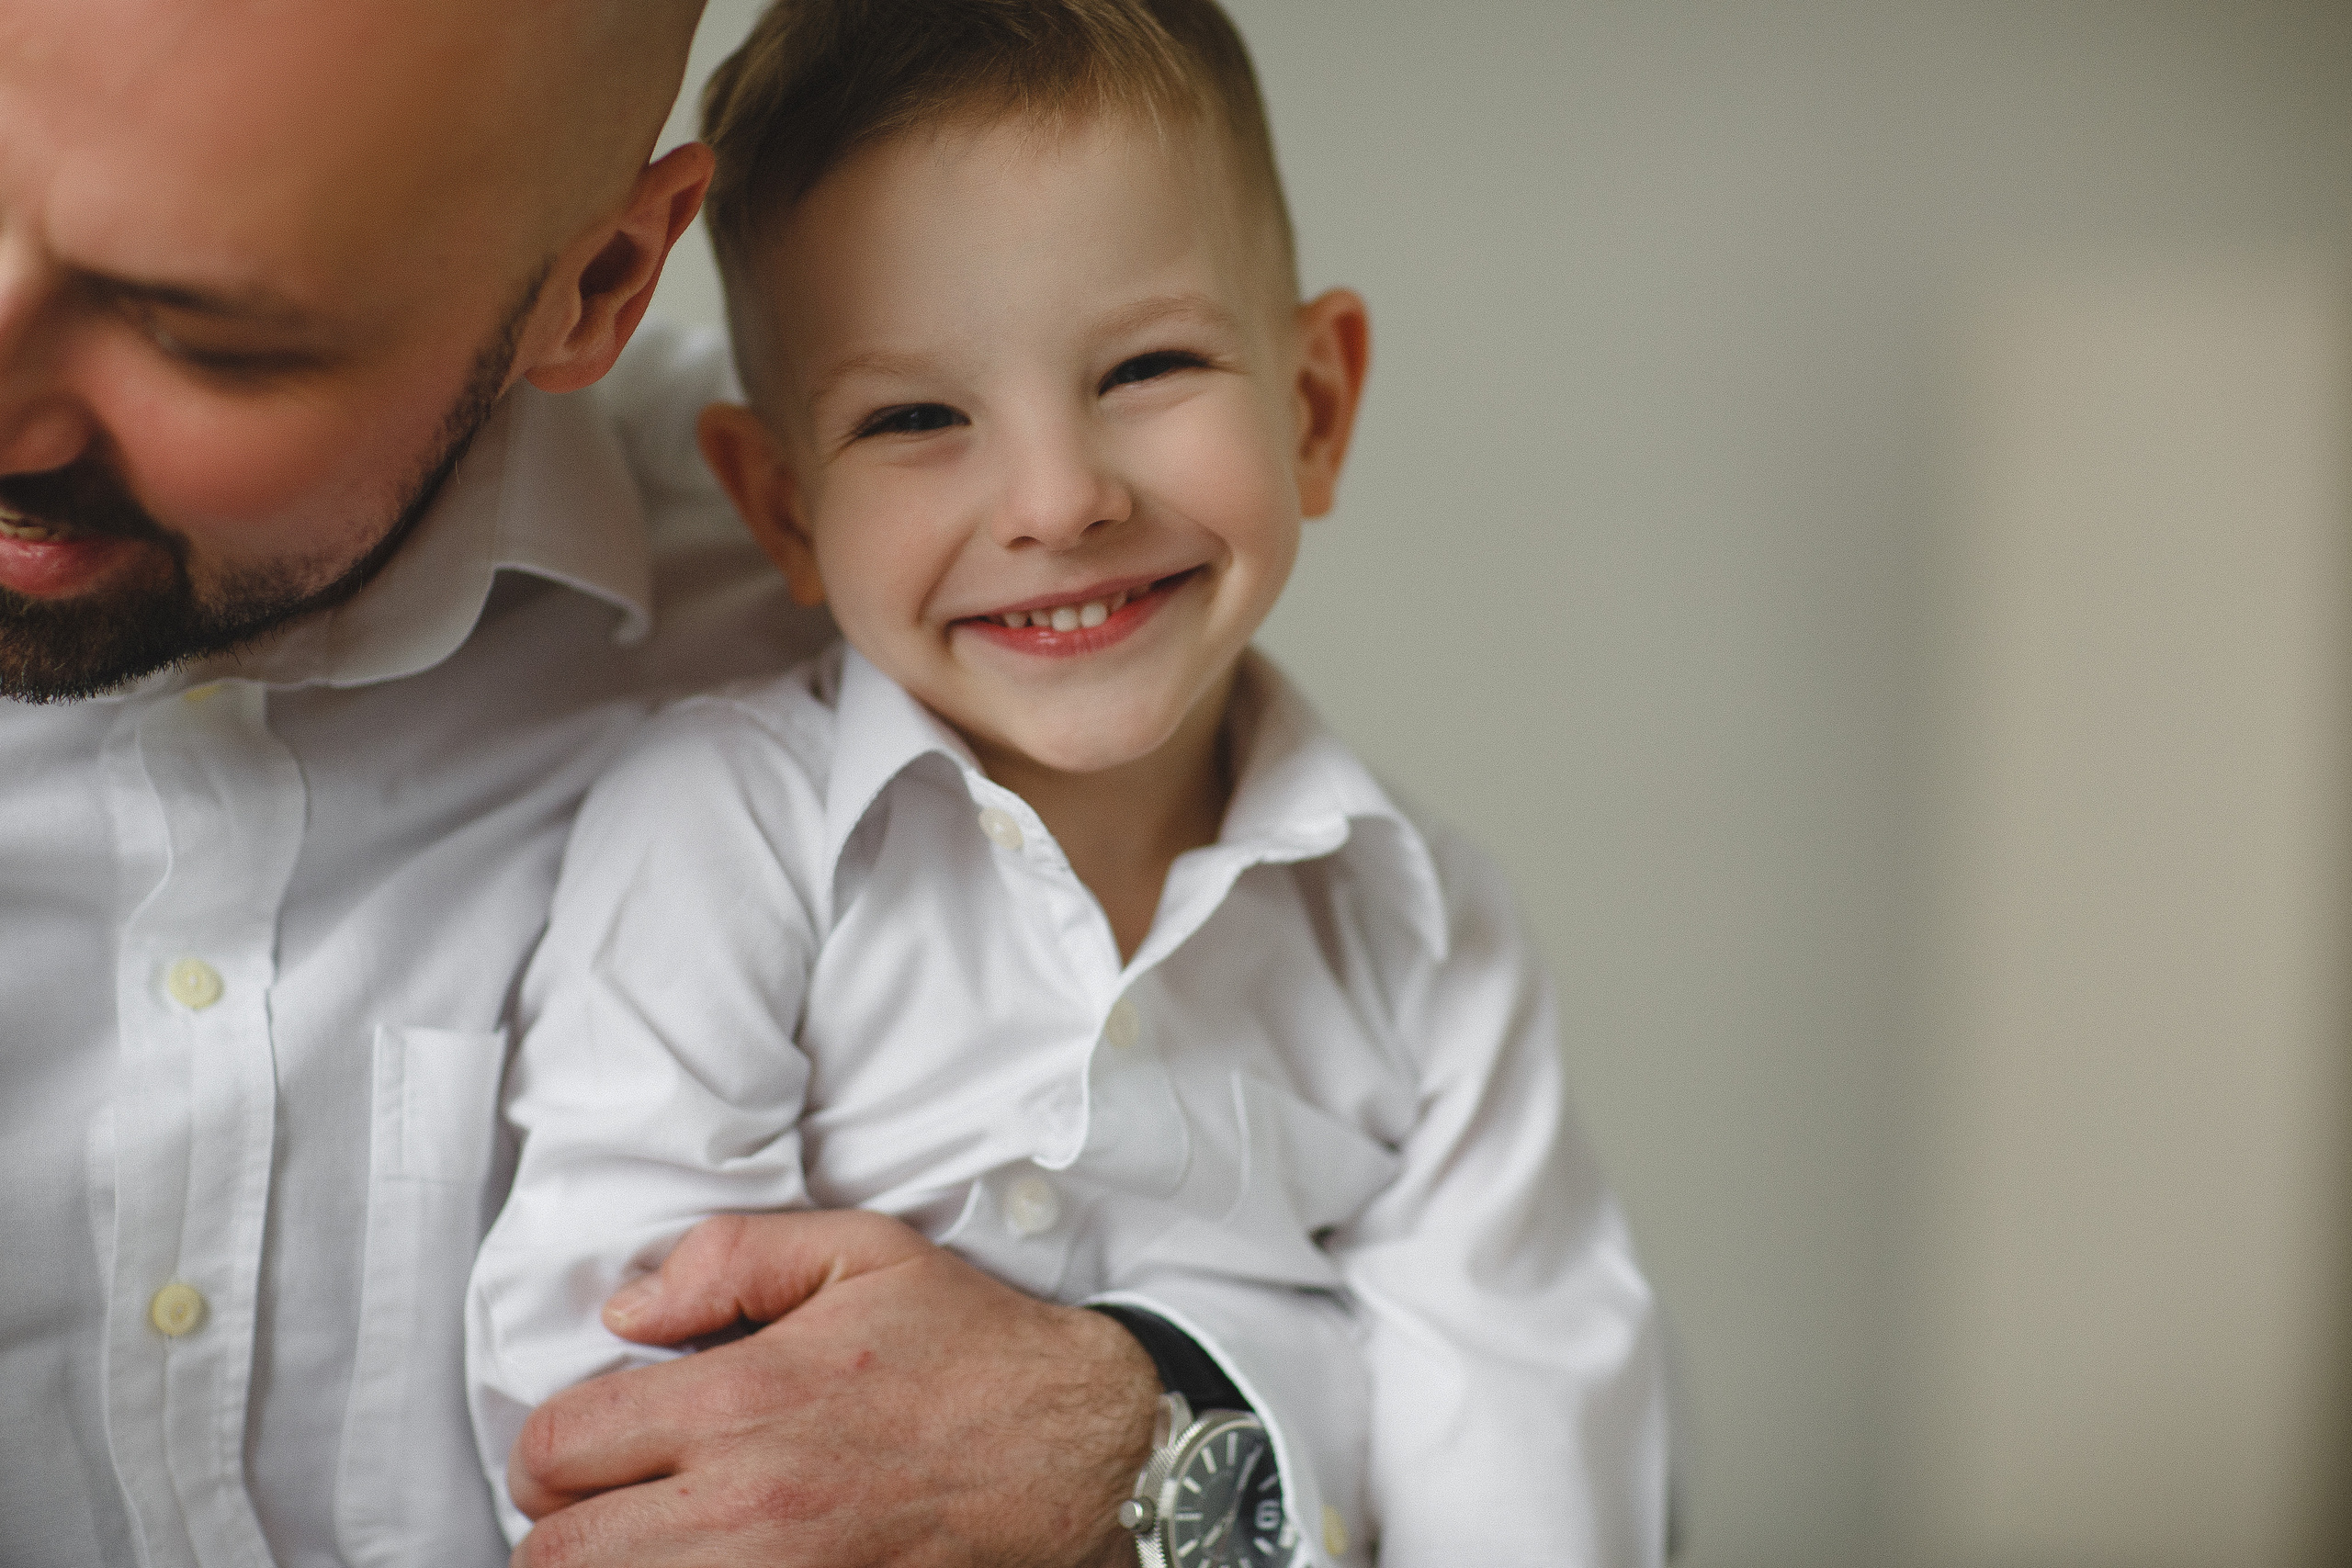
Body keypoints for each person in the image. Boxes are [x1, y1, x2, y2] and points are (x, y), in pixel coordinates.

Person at [0, 3, 1364, 1564]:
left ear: (596, 285)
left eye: (205, 321)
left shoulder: (883, 606)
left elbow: (1424, 1288)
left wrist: (1165, 1432)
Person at [465, 1, 1670, 1562]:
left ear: (1313, 405)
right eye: (914, 417)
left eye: (1148, 365)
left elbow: (1529, 1432)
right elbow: (614, 1363)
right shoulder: (721, 836)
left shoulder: (1422, 931)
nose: (1059, 499)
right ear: (780, 507)